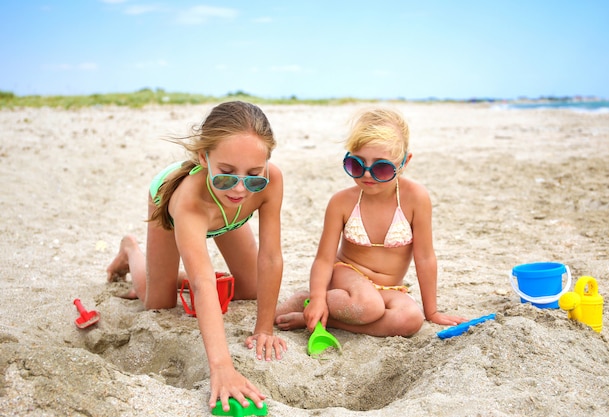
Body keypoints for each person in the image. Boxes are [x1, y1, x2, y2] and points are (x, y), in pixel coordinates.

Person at [106, 101, 286, 412]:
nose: (241, 188)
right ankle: (131, 250)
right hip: (180, 206)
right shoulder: (187, 203)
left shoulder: (269, 183)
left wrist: (264, 329)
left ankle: (177, 268)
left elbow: (270, 258)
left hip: (226, 216)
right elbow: (203, 286)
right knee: (156, 300)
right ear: (204, 158)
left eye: (254, 175)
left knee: (253, 288)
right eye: (227, 173)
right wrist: (222, 368)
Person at [275, 107, 467, 337]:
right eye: (357, 165)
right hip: (346, 275)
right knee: (369, 306)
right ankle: (312, 300)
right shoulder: (342, 202)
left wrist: (432, 311)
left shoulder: (416, 198)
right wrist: (317, 297)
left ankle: (325, 318)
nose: (367, 175)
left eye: (381, 168)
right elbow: (324, 259)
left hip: (387, 287)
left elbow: (425, 257)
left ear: (404, 162)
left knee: (410, 319)